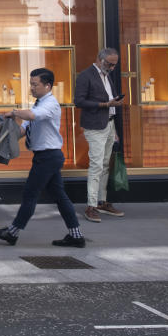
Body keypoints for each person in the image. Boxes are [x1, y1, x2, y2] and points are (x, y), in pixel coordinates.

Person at [0, 68, 85, 248]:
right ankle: (76, 236)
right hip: (48, 156)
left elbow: (34, 116)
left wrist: (15, 112)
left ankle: (12, 232)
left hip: (48, 157)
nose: (32, 88)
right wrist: (4, 133)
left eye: (35, 84)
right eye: (31, 84)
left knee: (30, 194)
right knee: (60, 196)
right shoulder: (38, 104)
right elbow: (24, 129)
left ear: (47, 86)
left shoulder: (50, 104)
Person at [74, 48, 126, 223]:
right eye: (109, 64)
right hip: (95, 126)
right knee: (96, 164)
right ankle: (91, 205)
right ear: (99, 59)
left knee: (104, 164)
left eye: (114, 65)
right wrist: (106, 104)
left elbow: (109, 102)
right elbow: (79, 101)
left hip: (109, 124)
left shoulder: (106, 75)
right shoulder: (85, 75)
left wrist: (115, 128)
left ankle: (101, 201)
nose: (111, 68)